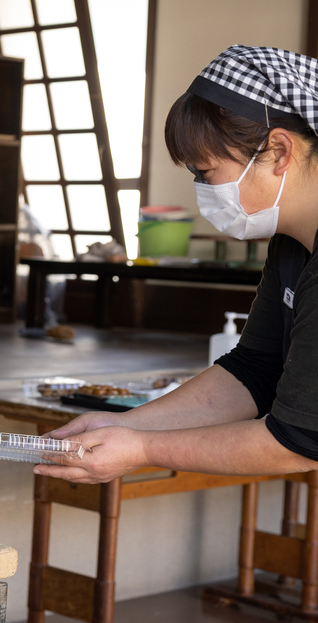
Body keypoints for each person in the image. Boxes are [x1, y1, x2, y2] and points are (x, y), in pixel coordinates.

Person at [39, 46, 318, 484]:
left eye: (206, 172)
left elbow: (297, 442)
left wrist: (142, 448)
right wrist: (125, 426)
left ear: (279, 151)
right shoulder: (291, 245)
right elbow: (255, 370)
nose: (202, 189)